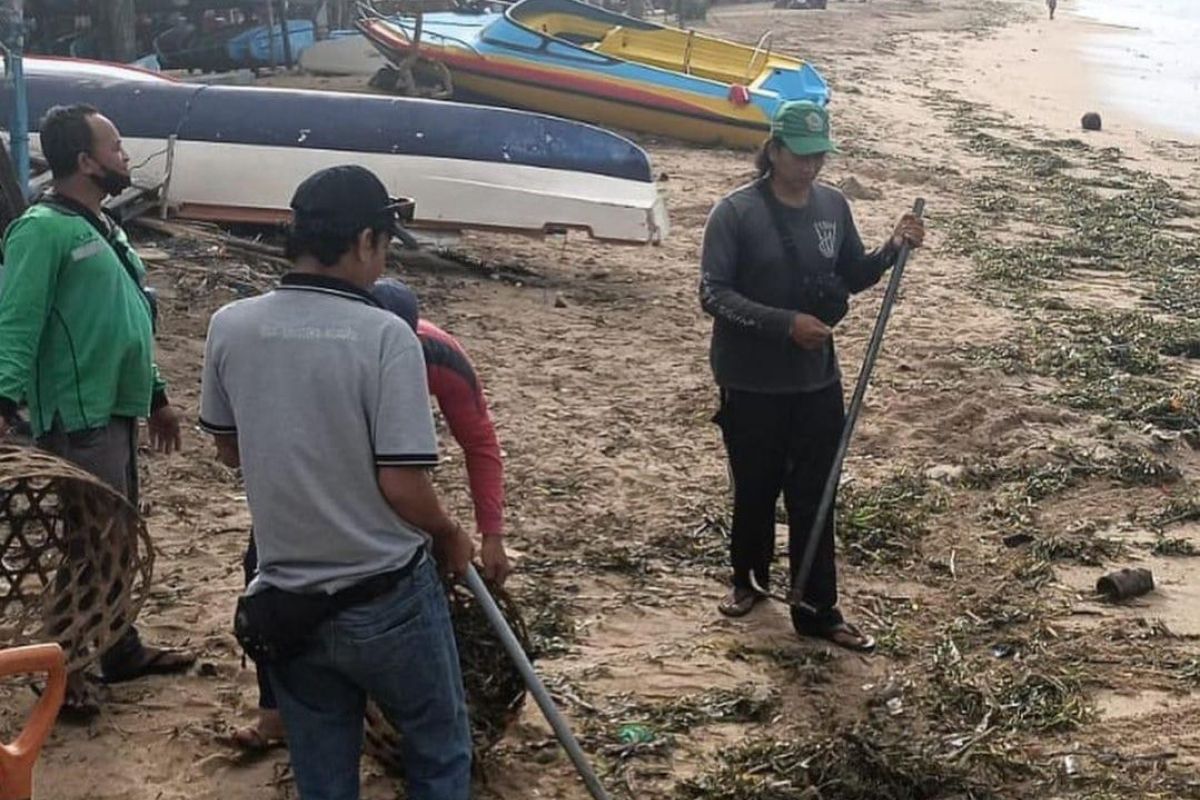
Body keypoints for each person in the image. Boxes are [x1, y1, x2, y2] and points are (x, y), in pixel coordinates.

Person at [200, 164, 474, 799]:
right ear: (364, 242)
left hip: (287, 596)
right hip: (385, 599)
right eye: (382, 244)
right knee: (438, 747)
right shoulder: (385, 336)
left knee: (323, 774)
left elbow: (229, 449)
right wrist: (450, 532)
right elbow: (403, 487)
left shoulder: (230, 325)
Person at [232, 277, 511, 752]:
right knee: (263, 568)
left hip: (396, 473)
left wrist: (491, 533)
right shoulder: (327, 353)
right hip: (324, 469)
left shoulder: (440, 359)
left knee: (404, 582)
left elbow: (479, 443)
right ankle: (276, 709)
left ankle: (390, 701)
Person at [699, 100, 924, 652]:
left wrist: (892, 249)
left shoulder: (832, 205)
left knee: (815, 492)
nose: (810, 166)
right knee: (755, 486)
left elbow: (853, 274)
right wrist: (785, 324)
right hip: (750, 379)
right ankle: (747, 579)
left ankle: (818, 608)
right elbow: (713, 294)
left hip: (816, 379)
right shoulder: (735, 213)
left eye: (819, 155)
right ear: (773, 151)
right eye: (800, 155)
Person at [0, 104, 194, 710]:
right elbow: (17, 320)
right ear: (85, 162)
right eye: (114, 147)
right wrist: (3, 401)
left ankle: (117, 646)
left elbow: (130, 321)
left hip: (116, 408)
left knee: (117, 533)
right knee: (95, 542)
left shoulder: (105, 228)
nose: (124, 156)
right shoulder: (41, 229)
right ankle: (68, 670)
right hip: (76, 416)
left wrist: (157, 396)